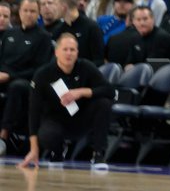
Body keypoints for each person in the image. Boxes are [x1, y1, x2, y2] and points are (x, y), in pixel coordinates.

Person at [18, 33, 114, 169]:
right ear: (56, 52)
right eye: (65, 49)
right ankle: (57, 152)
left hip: (81, 119)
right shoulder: (43, 74)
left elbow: (110, 91)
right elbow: (33, 111)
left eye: (72, 50)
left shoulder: (86, 67)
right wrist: (34, 149)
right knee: (47, 134)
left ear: (77, 52)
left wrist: (81, 92)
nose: (69, 53)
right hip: (55, 121)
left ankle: (98, 154)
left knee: (103, 103)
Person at [0, 0, 52, 156]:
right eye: (25, 11)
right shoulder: (9, 33)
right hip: (4, 76)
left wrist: (9, 76)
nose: (29, 14)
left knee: (16, 87)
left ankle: (3, 136)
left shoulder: (43, 37)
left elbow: (39, 69)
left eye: (33, 11)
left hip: (28, 81)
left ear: (38, 14)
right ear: (19, 13)